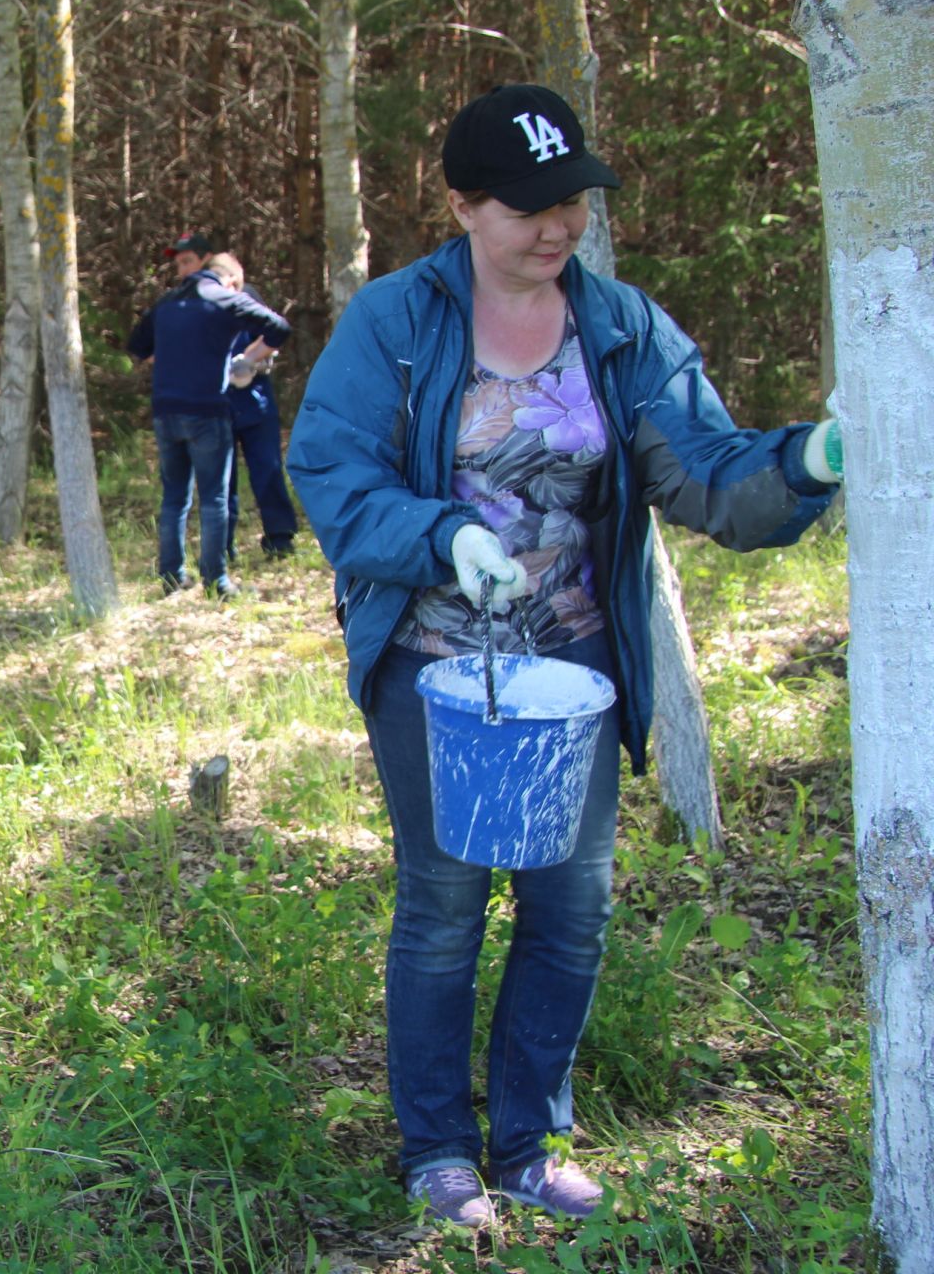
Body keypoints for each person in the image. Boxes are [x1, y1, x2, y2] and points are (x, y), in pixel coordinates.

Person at [285, 84, 842, 1228]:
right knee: (442, 904)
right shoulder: (397, 321)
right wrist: (448, 534)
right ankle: (439, 1149)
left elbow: (705, 471)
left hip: (569, 678)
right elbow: (331, 473)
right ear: (462, 205)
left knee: (569, 908)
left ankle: (531, 1143)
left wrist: (813, 458)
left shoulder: (623, 328)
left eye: (572, 202)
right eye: (528, 206)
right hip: (434, 671)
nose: (556, 228)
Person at [128, 242, 292, 597]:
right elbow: (278, 327)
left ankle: (172, 578)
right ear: (232, 280)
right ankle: (216, 581)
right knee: (214, 499)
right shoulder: (224, 297)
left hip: (165, 411)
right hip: (207, 410)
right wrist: (249, 357)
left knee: (174, 498)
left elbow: (138, 346)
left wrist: (177, 357)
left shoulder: (168, 301)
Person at [203, 253, 302, 561]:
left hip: (256, 401)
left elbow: (272, 339)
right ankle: (223, 545)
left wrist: (249, 361)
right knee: (222, 479)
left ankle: (280, 537)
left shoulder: (249, 299)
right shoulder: (202, 306)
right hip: (218, 405)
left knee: (268, 469)